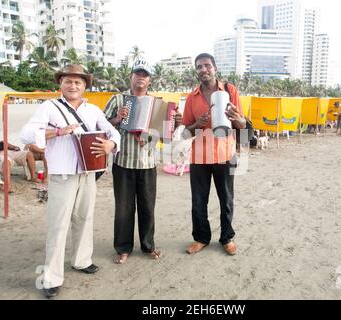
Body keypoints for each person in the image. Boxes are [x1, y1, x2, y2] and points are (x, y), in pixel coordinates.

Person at [20, 65, 121, 298]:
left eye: (78, 82)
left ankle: (81, 260)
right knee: (59, 225)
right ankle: (51, 278)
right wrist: (57, 132)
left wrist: (110, 145)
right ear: (61, 84)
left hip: (88, 174)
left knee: (84, 218)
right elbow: (26, 134)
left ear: (85, 86)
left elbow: (112, 132)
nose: (73, 86)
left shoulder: (93, 110)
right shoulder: (49, 107)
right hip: (62, 175)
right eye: (68, 81)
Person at [103, 59, 182, 265]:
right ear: (131, 76)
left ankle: (148, 245)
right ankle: (123, 247)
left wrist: (174, 123)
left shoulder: (158, 103)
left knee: (148, 207)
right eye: (137, 73)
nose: (141, 77)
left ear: (149, 79)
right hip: (123, 163)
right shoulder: (118, 100)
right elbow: (102, 126)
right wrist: (116, 120)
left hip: (147, 164)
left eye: (145, 74)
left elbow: (165, 137)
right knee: (123, 208)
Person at [182, 53, 246, 256]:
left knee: (226, 199)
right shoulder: (192, 97)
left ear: (215, 68)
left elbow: (243, 123)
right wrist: (196, 125)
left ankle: (227, 238)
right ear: (196, 71)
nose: (203, 70)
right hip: (199, 156)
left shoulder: (229, 90)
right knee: (199, 201)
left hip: (225, 154)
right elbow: (185, 131)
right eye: (199, 67)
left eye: (207, 66)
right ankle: (201, 238)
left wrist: (237, 119)